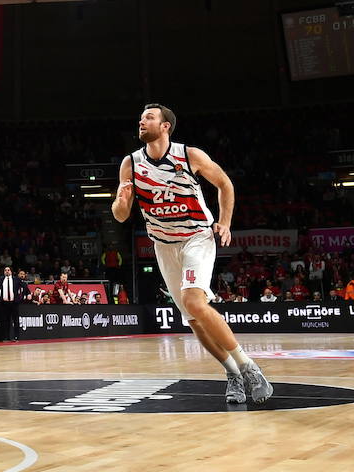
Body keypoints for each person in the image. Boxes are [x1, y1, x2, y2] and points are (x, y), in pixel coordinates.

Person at [112, 103, 273, 405]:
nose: (141, 122)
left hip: (196, 237)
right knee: (193, 319)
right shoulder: (130, 163)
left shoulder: (189, 155)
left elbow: (224, 183)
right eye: (141, 118)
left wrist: (225, 222)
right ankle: (232, 372)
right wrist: (122, 201)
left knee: (194, 301)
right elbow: (121, 215)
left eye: (149, 118)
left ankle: (249, 367)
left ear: (165, 126)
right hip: (163, 244)